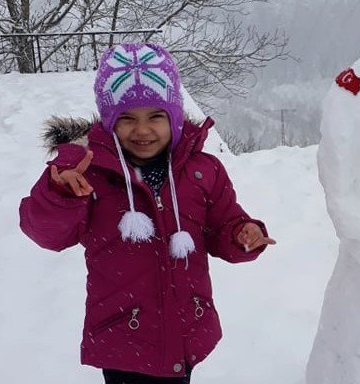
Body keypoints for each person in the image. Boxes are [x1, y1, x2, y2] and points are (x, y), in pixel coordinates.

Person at [20, 42, 275, 384]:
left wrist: (242, 234)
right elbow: (48, 233)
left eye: (156, 116)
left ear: (174, 116)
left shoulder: (203, 170)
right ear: (110, 120)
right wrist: (61, 194)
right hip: (125, 335)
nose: (142, 130)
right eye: (127, 118)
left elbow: (223, 224)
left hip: (186, 327)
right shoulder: (86, 172)